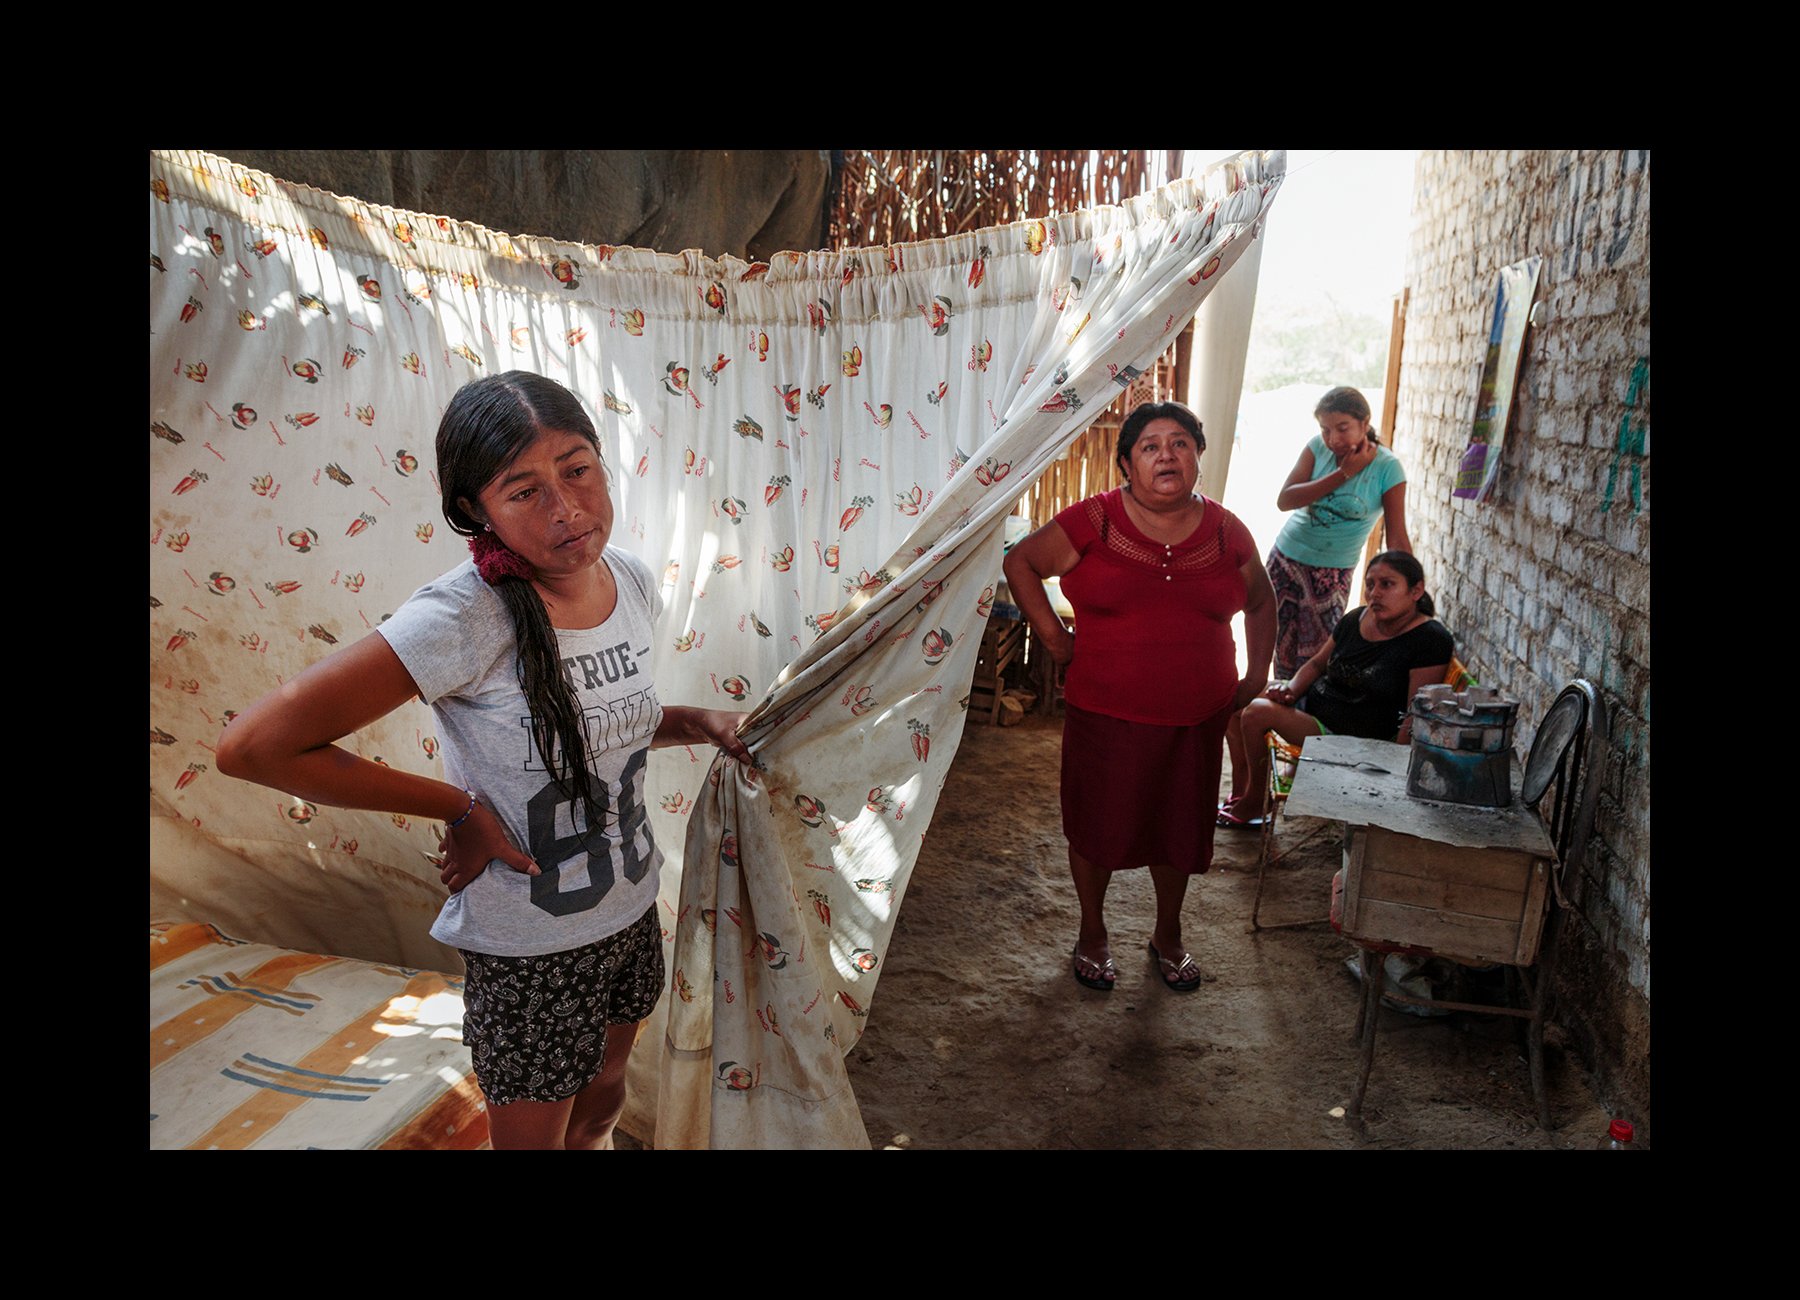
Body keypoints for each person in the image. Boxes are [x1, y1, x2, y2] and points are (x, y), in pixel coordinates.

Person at [216, 371, 752, 1150]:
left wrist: (697, 720)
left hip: (629, 909)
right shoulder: (463, 615)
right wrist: (458, 808)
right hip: (531, 947)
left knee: (603, 1104)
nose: (567, 507)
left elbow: (604, 728)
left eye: (577, 469)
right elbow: (254, 747)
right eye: (523, 489)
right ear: (476, 510)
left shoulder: (627, 580)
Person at [1003, 401, 1275, 994]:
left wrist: (1254, 679)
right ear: (1126, 463)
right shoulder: (1093, 521)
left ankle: (1168, 934)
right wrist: (1054, 638)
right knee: (1098, 825)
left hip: (1195, 718)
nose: (1166, 455)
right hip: (1106, 714)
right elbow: (1020, 561)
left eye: (1180, 443)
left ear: (1198, 457)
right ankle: (1093, 933)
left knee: (1180, 828)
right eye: (1149, 446)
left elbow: (1260, 600)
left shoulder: (1228, 531)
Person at [1220, 385, 1411, 827]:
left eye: (1342, 428)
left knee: (1308, 668)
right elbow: (1285, 499)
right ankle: (1248, 784)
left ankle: (1288, 775)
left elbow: (1397, 536)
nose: (1333, 438)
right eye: (1326, 429)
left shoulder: (1388, 469)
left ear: (1365, 424)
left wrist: (1412, 594)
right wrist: (1342, 473)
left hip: (1332, 577)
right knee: (1266, 664)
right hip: (1286, 563)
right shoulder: (1319, 451)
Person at [1234, 551, 1453, 819]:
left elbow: (1414, 711)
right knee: (1239, 696)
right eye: (1370, 584)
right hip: (1314, 707)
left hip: (1349, 736)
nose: (1375, 593)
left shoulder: (1429, 639)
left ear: (1416, 590)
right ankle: (1241, 786)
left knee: (1256, 712)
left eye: (1387, 584)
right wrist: (1290, 689)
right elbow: (1316, 665)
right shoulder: (1357, 618)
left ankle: (1255, 798)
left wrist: (1393, 767)